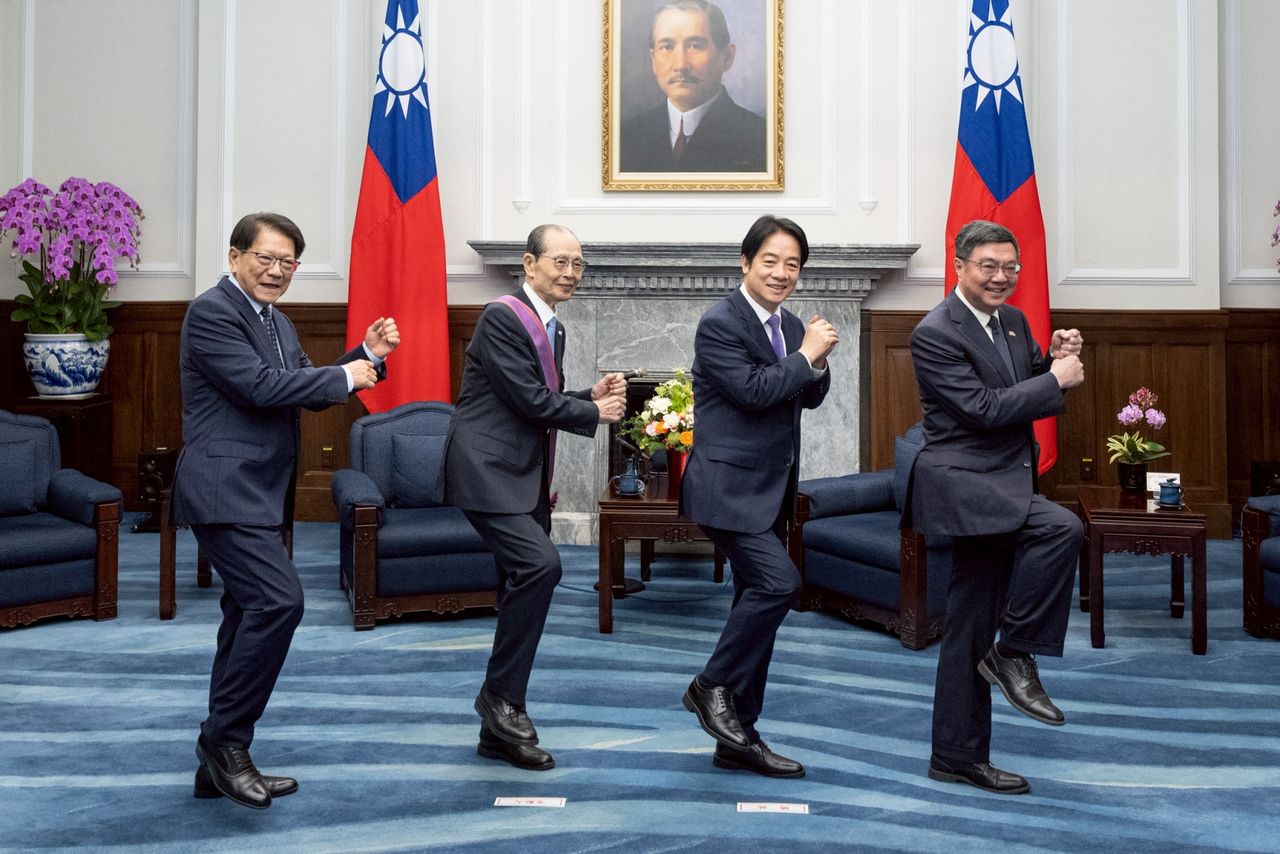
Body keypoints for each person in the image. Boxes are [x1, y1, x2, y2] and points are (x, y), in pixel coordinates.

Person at [173, 212, 399, 810]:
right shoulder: (213, 312)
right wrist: (347, 374)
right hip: (224, 487)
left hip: (260, 491)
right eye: (265, 259)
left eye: (288, 263)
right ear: (234, 256)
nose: (277, 271)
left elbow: (297, 378)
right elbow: (260, 388)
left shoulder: (273, 318)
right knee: (279, 602)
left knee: (245, 612)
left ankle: (213, 762)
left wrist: (363, 356)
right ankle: (226, 745)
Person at [439, 224, 627, 771]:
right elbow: (526, 399)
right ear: (529, 263)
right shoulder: (503, 316)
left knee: (517, 580)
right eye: (560, 262)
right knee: (541, 566)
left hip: (522, 473)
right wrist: (595, 412)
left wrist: (583, 397)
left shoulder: (554, 328)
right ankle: (499, 699)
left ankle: (497, 727)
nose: (570, 273)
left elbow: (537, 397)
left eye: (578, 265)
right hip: (486, 470)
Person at [907, 219, 1085, 795]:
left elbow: (1021, 384)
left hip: (1004, 481)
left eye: (1011, 266)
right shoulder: (934, 332)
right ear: (959, 266)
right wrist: (1054, 380)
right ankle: (1014, 653)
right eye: (988, 265)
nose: (1001, 277)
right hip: (965, 483)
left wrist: (1050, 361)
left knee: (969, 623)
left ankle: (955, 755)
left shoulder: (1013, 320)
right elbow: (982, 409)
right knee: (1061, 528)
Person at [678, 215, 837, 778]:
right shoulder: (719, 322)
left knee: (757, 606)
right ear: (745, 263)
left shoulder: (792, 323)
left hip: (771, 489)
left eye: (793, 264)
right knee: (780, 585)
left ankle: (739, 734)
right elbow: (751, 393)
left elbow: (807, 398)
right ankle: (709, 686)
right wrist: (805, 356)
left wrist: (815, 359)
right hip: (727, 488)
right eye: (770, 260)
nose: (782, 273)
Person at [620, 0, 766, 173]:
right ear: (653, 61)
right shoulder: (626, 136)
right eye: (667, 47)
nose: (680, 64)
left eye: (695, 46)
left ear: (727, 57)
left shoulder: (759, 138)